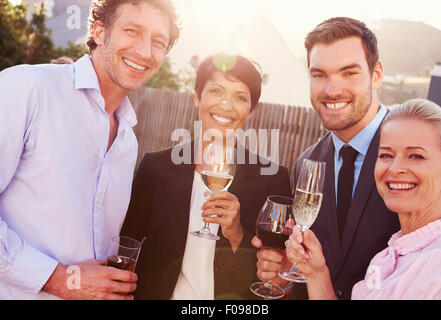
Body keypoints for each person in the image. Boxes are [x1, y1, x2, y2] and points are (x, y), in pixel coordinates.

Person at [0, 0, 179, 300]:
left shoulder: (127, 140)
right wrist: (60, 279)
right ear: (99, 32)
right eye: (132, 31)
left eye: (158, 42)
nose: (145, 51)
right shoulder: (27, 89)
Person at [120, 55, 292, 300]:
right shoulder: (155, 168)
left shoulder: (273, 179)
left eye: (240, 97)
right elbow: (127, 245)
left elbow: (274, 280)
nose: (226, 105)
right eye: (216, 91)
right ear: (197, 97)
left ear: (251, 109)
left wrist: (236, 234)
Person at [253, 17, 400, 300]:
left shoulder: (415, 155)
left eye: (348, 73)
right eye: (319, 75)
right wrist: (287, 276)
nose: (332, 90)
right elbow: (307, 275)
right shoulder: (306, 164)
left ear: (376, 74)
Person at [286, 99, 441, 299]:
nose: (394, 168)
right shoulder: (394, 254)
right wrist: (317, 273)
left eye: (416, 156)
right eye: (386, 155)